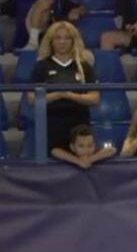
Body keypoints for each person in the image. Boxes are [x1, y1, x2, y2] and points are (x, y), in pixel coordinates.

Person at [32, 21, 100, 155]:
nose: (62, 42)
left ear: (73, 41)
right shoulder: (41, 66)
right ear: (51, 41)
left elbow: (95, 98)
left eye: (67, 38)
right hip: (52, 122)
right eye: (58, 38)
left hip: (79, 122)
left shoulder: (84, 66)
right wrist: (57, 95)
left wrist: (70, 95)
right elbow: (32, 99)